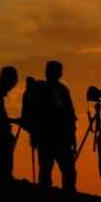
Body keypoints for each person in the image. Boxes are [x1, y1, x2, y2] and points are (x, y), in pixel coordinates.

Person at [36, 61, 78, 192]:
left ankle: (65, 195)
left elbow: (70, 115)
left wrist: (72, 136)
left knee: (65, 170)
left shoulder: (62, 90)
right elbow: (70, 116)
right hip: (51, 138)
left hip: (59, 138)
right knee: (48, 170)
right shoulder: (42, 90)